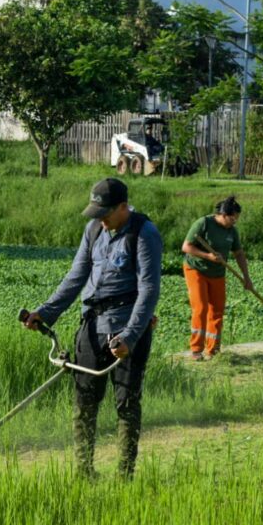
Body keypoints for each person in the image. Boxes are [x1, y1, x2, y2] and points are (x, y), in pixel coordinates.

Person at [22, 178, 162, 479]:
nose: (100, 218)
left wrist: (131, 335)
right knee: (84, 400)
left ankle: (125, 475)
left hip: (125, 329)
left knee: (126, 401)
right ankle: (84, 471)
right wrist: (44, 313)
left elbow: (149, 289)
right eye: (96, 212)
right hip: (91, 326)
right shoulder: (94, 230)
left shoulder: (143, 233)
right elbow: (76, 277)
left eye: (105, 213)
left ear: (123, 207)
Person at [182, 196, 253, 361]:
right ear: (223, 214)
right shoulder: (203, 223)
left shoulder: (232, 231)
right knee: (200, 308)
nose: (235, 221)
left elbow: (239, 254)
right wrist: (207, 255)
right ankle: (196, 350)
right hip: (196, 269)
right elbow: (186, 247)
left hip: (218, 273)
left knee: (217, 310)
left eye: (237, 218)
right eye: (233, 218)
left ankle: (212, 350)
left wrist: (246, 278)